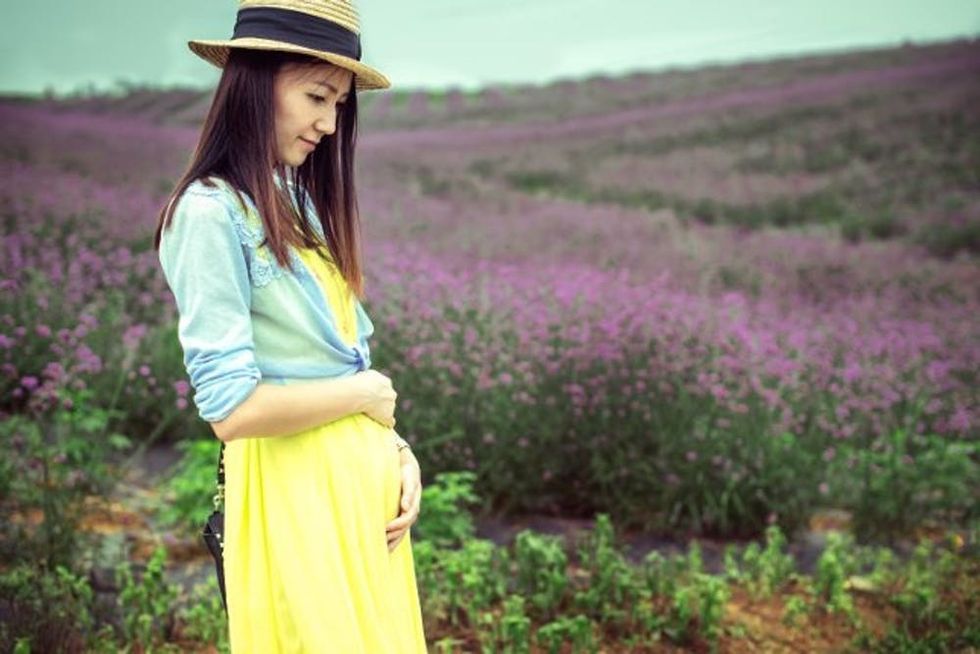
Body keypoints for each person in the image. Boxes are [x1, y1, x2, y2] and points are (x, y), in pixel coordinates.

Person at [151, 1, 428, 651]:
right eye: (317, 97)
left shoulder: (295, 199)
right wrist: (366, 395)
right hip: (297, 497)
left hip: (361, 504)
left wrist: (396, 451)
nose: (329, 124)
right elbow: (230, 409)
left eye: (339, 105)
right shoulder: (209, 213)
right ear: (256, 83)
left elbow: (337, 360)